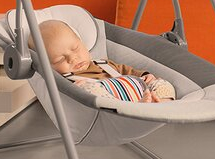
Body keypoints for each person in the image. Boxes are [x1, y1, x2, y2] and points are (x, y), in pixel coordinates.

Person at [30, 20, 176, 102]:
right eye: (60, 59)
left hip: (139, 92)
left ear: (82, 43)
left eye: (75, 49)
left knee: (162, 83)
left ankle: (161, 102)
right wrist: (76, 89)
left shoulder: (103, 63)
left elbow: (127, 71)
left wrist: (145, 76)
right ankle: (140, 107)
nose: (72, 58)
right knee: (87, 89)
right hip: (115, 106)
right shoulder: (65, 80)